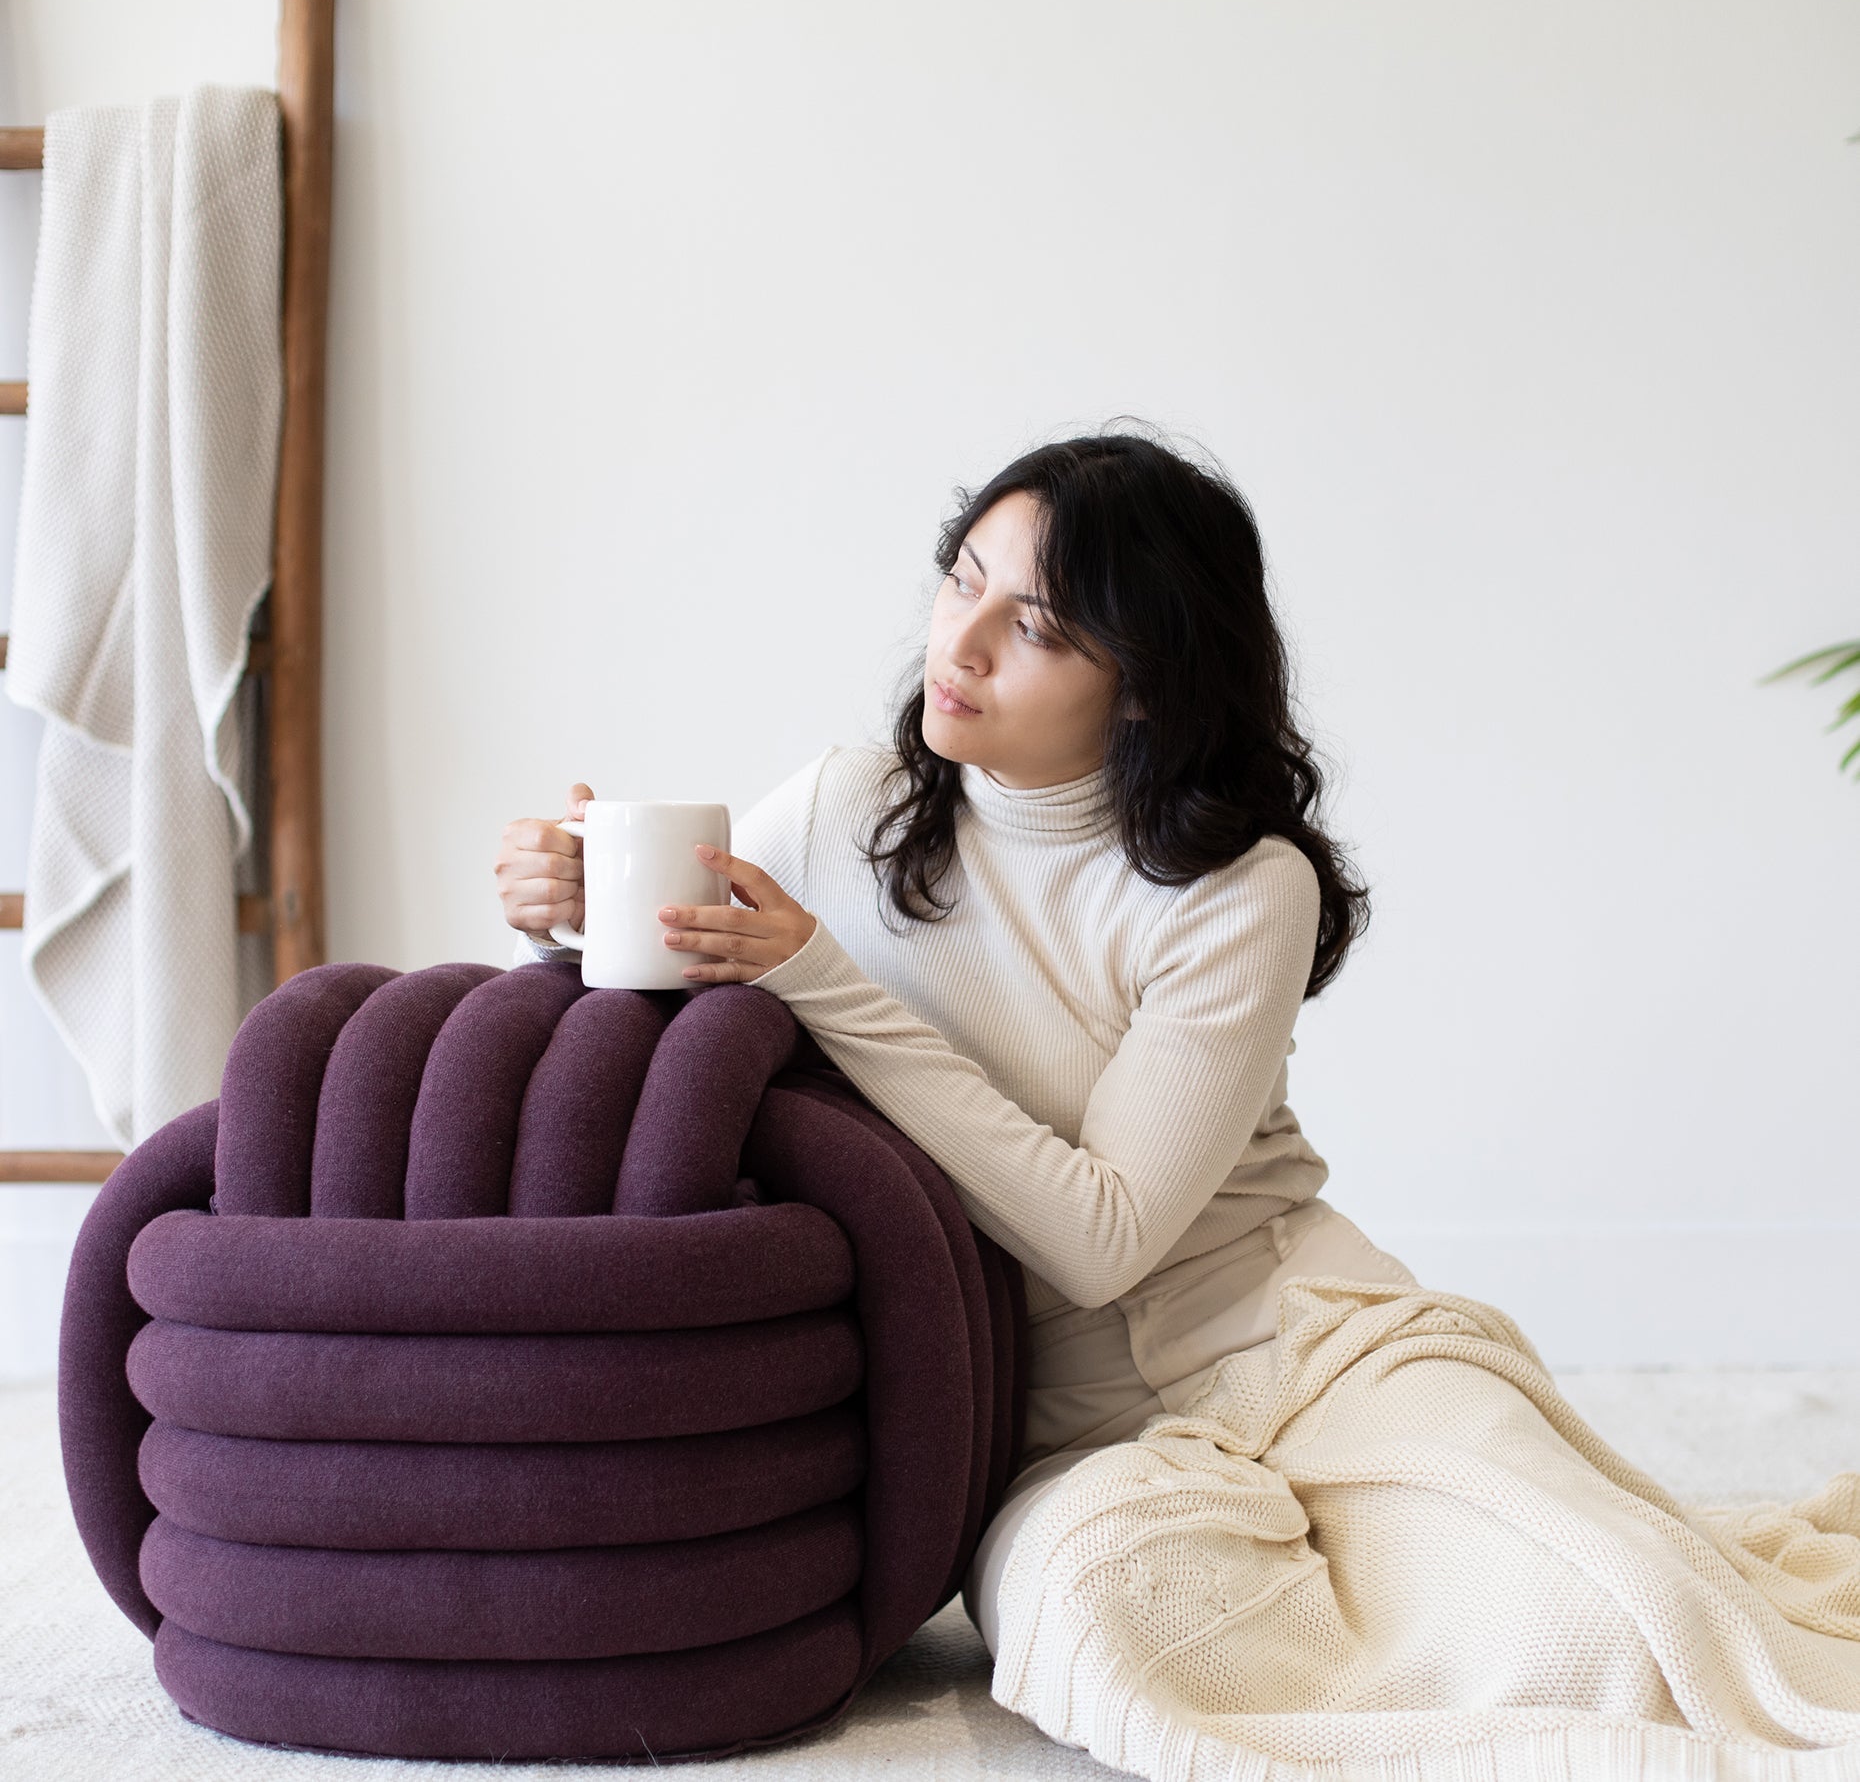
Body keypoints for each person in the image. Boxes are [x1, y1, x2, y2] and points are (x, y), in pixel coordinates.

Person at [495, 428, 1860, 1782]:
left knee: (1627, 1623)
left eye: (1030, 625)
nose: (957, 646)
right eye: (959, 579)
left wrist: (824, 981)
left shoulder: (1240, 888)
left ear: (1144, 684)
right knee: (1110, 1630)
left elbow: (1103, 1238)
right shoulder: (846, 808)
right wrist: (558, 909)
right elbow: (668, 991)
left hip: (1313, 1353)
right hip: (1065, 1439)